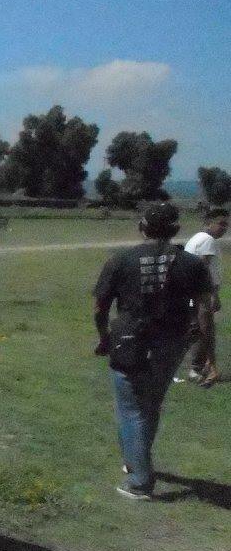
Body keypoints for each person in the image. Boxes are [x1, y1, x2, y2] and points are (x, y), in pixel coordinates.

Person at [92, 202, 216, 500]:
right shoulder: (192, 264)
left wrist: (104, 336)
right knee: (150, 406)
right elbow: (205, 311)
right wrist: (209, 354)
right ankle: (135, 460)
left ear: (142, 226)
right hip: (171, 344)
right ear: (175, 229)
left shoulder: (120, 260)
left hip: (129, 342)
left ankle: (140, 481)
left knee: (130, 409)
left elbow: (100, 307)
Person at [179, 207, 225, 384]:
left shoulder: (197, 238)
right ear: (208, 224)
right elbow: (203, 270)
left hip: (195, 292)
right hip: (202, 293)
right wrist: (214, 294)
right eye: (220, 224)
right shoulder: (207, 240)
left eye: (226, 225)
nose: (224, 228)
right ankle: (202, 368)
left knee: (198, 330)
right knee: (206, 331)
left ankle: (200, 367)